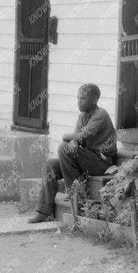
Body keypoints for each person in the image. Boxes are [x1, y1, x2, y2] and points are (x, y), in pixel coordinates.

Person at [29, 83, 119, 222]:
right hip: (86, 158)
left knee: (63, 148)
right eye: (78, 98)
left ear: (94, 100)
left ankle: (77, 197)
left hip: (102, 162)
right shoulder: (82, 117)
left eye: (82, 98)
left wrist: (72, 139)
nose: (78, 101)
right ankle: (44, 210)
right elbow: (77, 138)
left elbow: (80, 136)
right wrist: (74, 140)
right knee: (51, 165)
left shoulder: (100, 115)